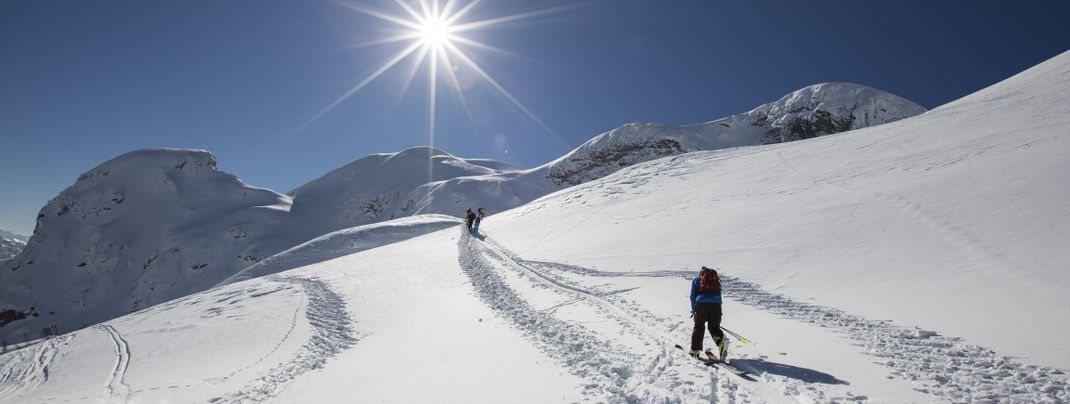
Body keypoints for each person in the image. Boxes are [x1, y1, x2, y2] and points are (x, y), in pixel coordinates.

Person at [689, 266, 726, 359]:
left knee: (699, 327)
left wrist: (694, 310)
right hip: (716, 306)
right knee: (714, 327)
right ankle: (722, 343)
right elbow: (719, 296)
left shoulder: (696, 280)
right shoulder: (716, 281)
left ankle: (695, 351)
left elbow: (692, 297)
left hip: (701, 305)